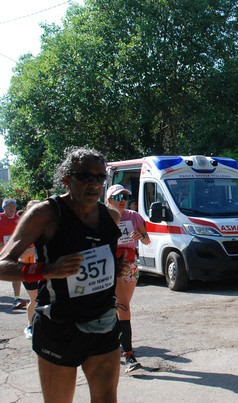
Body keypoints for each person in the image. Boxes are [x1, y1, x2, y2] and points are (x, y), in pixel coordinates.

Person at [0, 146, 127, 403]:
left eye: (100, 177)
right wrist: (48, 269)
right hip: (59, 326)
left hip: (102, 322)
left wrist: (116, 266)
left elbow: (99, 258)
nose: (94, 184)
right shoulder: (46, 214)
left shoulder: (110, 216)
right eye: (85, 176)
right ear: (67, 179)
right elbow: (3, 264)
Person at [106, 184, 150, 372]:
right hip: (110, 265)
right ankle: (129, 356)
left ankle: (115, 344)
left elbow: (147, 240)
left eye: (124, 196)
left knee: (121, 307)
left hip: (130, 264)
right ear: (108, 200)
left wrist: (140, 236)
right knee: (123, 307)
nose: (122, 200)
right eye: (117, 197)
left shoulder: (134, 216)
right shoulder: (102, 217)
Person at [20, 200, 42, 339]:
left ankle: (42, 326)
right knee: (35, 299)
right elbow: (20, 254)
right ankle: (30, 326)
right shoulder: (24, 230)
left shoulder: (47, 227)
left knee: (44, 299)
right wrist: (38, 248)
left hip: (45, 269)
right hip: (28, 269)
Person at [0, 198, 27, 310]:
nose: (12, 208)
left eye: (13, 206)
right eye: (9, 206)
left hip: (11, 251)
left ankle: (17, 298)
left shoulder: (18, 219)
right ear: (4, 207)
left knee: (16, 271)